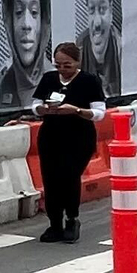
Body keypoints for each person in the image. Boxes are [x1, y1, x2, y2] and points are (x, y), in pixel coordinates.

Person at [29, 42, 108, 243]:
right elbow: (35, 104)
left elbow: (99, 113)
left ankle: (72, 218)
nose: (62, 70)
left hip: (78, 138)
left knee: (69, 176)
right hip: (51, 136)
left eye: (67, 66)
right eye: (58, 66)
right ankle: (55, 222)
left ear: (77, 63)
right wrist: (44, 110)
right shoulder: (49, 79)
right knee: (51, 179)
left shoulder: (89, 81)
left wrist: (77, 110)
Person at [0, 0, 52, 109]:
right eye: (19, 12)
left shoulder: (56, 81)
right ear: (9, 20)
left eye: (34, 12)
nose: (26, 25)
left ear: (44, 21)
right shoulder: (4, 83)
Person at [75, 0, 121, 95]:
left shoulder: (122, 51)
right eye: (91, 10)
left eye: (102, 9)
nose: (97, 23)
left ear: (111, 11)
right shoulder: (78, 51)